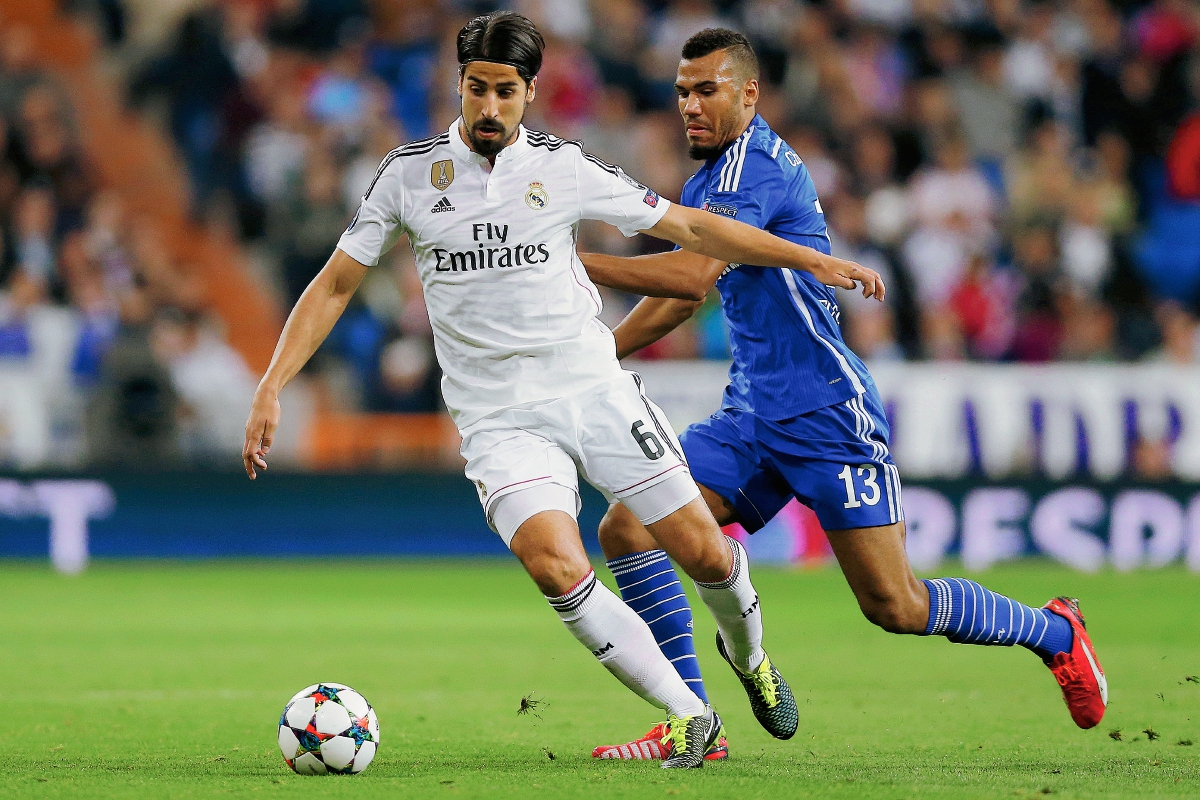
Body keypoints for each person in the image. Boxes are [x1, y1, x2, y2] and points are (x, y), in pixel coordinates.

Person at [242, 13, 884, 769]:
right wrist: (272, 384)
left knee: (706, 556)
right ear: (459, 85)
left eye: (504, 92)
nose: (488, 107)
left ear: (529, 93)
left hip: (593, 390)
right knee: (555, 561)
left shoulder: (566, 168)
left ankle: (751, 661)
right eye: (476, 89)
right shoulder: (408, 176)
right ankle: (690, 714)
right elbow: (336, 283)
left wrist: (807, 261)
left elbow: (696, 231)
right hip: (497, 417)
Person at [583, 29, 1107, 762]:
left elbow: (689, 280)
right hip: (751, 417)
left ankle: (1055, 631)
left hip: (828, 414)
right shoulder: (709, 184)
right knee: (628, 529)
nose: (689, 105)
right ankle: (694, 722)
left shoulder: (755, 169)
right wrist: (597, 355)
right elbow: (682, 301)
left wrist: (566, 259)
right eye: (681, 91)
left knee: (895, 605)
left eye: (706, 89)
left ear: (749, 92)